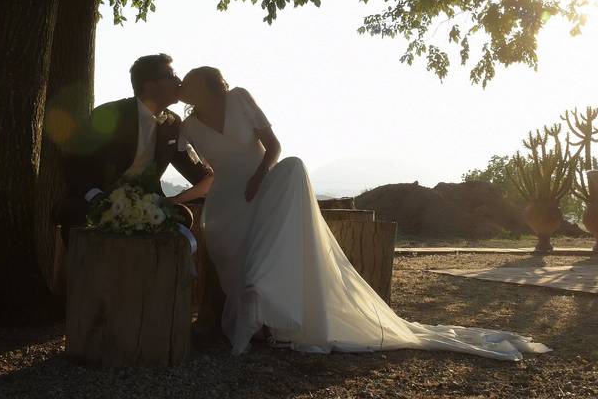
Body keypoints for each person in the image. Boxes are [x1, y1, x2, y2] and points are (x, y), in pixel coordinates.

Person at [170, 66, 550, 360]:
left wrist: (258, 177)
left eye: (188, 83)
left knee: (290, 182)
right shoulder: (187, 127)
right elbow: (210, 173)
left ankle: (272, 323)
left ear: (207, 85)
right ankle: (257, 325)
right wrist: (180, 198)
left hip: (262, 185)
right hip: (225, 202)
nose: (184, 90)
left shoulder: (239, 99)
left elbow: (274, 146)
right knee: (233, 260)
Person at [54, 54, 214, 242]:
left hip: (146, 204)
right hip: (98, 198)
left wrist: (225, 182)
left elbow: (195, 171)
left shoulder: (173, 123)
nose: (179, 81)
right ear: (149, 85)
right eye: (171, 76)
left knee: (184, 216)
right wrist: (96, 196)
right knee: (76, 214)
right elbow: (73, 161)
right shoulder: (110, 114)